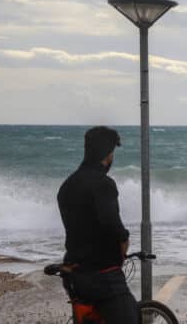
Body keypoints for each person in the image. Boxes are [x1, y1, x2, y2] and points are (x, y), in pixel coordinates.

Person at [57, 126, 138, 324]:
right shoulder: (104, 184)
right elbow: (111, 223)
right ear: (109, 155)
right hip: (102, 275)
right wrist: (124, 239)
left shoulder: (67, 186)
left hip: (74, 273)